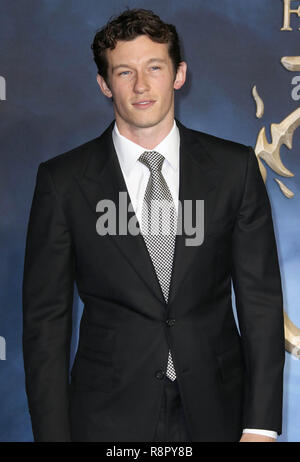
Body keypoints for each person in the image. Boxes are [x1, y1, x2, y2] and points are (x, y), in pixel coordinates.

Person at [22, 8, 285, 442]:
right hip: (105, 415)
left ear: (178, 74)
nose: (141, 86)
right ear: (104, 84)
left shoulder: (234, 169)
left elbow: (260, 303)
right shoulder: (63, 182)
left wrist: (260, 426)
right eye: (125, 72)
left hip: (218, 412)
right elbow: (46, 323)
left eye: (154, 68)